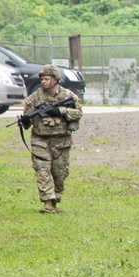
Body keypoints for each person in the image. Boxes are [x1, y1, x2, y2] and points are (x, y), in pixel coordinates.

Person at [20, 65, 84, 213]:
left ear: (55, 80)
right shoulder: (34, 98)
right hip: (40, 139)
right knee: (42, 171)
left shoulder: (68, 96)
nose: (44, 82)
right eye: (42, 79)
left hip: (61, 141)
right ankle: (48, 203)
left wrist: (60, 111)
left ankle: (54, 201)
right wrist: (25, 121)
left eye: (47, 79)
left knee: (59, 173)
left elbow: (79, 113)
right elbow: (27, 120)